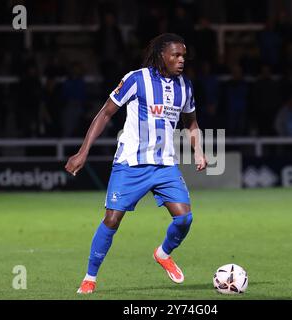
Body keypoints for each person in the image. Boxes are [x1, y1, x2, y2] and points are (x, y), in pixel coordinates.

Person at [65, 33, 207, 294]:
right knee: (112, 219)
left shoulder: (185, 86)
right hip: (131, 163)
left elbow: (191, 122)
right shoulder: (136, 79)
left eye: (183, 55)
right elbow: (105, 112)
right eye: (175, 55)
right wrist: (82, 152)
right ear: (161, 55)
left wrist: (198, 151)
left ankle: (163, 254)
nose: (181, 60)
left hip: (165, 164)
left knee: (185, 218)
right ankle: (90, 277)